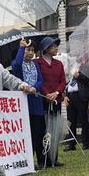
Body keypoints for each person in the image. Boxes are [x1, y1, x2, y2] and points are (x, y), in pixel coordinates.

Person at [11, 38, 45, 169]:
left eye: (32, 50)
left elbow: (41, 80)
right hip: (24, 101)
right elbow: (18, 65)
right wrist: (21, 47)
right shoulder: (16, 63)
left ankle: (41, 160)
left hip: (36, 100)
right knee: (28, 133)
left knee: (39, 131)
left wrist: (35, 87)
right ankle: (29, 162)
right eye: (28, 50)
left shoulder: (35, 64)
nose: (30, 53)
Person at [36, 36, 66, 166]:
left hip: (56, 100)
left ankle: (53, 158)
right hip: (42, 100)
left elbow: (63, 81)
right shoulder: (37, 63)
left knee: (54, 129)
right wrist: (46, 94)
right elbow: (38, 80)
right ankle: (43, 160)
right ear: (46, 48)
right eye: (53, 46)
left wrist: (56, 93)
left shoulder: (58, 64)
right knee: (42, 130)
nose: (56, 48)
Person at [63, 62, 89, 151]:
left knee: (83, 120)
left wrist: (79, 75)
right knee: (71, 121)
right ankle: (72, 143)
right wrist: (65, 95)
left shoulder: (85, 68)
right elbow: (66, 83)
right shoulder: (69, 69)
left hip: (81, 96)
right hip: (70, 96)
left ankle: (85, 143)